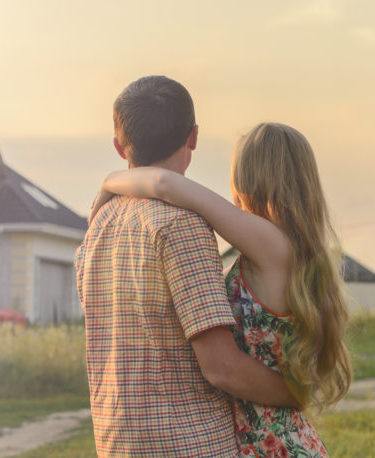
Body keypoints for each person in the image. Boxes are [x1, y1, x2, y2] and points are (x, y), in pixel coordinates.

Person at [88, 121, 353, 456]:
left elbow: (163, 182)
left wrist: (111, 180)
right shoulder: (292, 252)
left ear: (249, 181)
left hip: (270, 448)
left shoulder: (272, 245)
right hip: (284, 441)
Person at [75, 75, 299, 457]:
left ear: (119, 147)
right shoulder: (182, 225)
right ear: (193, 137)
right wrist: (297, 393)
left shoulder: (97, 226)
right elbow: (221, 367)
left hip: (116, 444)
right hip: (189, 443)